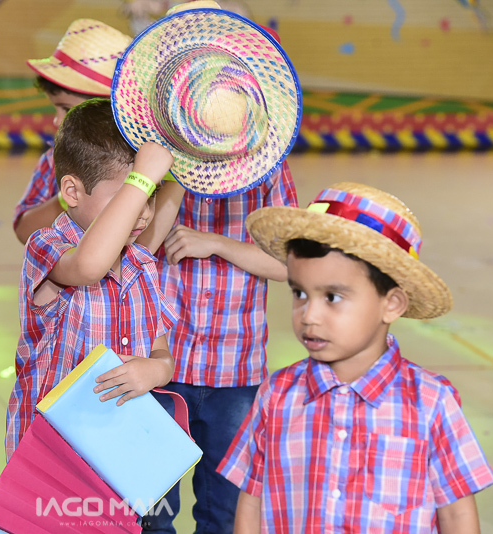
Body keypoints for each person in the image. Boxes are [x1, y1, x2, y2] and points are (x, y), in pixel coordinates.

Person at [111, 2, 300, 531]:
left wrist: (216, 243)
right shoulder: (154, 157)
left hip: (236, 370)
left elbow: (290, 265)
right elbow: (139, 249)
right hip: (162, 362)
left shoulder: (269, 167)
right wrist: (173, 171)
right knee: (152, 510)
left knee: (224, 509)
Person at [219, 182, 493, 532]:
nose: (309, 315)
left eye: (332, 297)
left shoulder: (431, 403)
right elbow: (252, 501)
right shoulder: (276, 396)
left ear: (391, 304)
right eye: (300, 293)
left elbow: (457, 516)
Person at [6, 97, 179, 460]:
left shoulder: (141, 265)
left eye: (150, 196)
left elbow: (161, 351)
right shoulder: (47, 246)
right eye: (128, 196)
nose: (142, 212)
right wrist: (141, 178)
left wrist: (158, 370)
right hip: (50, 456)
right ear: (72, 192)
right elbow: (89, 267)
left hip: (119, 452)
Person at [13, 19, 133, 244]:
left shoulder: (144, 159)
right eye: (55, 107)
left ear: (110, 108)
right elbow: (24, 231)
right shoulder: (55, 158)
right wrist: (68, 196)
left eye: (67, 109)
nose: (57, 120)